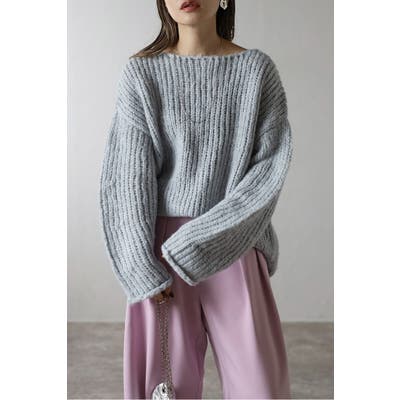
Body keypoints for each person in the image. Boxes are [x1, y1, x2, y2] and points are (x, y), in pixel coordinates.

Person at [99, 0, 293, 398]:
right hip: (162, 254)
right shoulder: (142, 73)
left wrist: (209, 237)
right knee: (164, 389)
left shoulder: (257, 71)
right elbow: (127, 179)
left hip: (235, 244)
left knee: (260, 388)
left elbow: (268, 170)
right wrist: (140, 266)